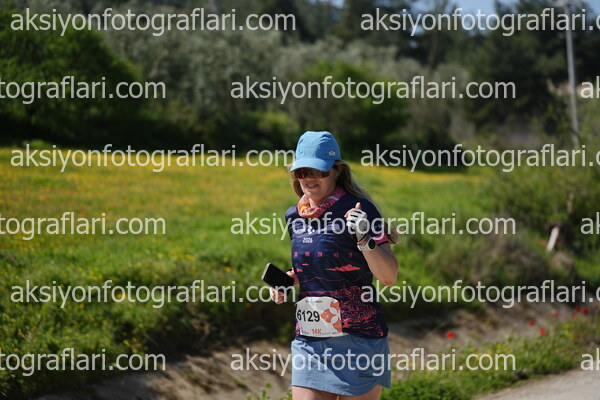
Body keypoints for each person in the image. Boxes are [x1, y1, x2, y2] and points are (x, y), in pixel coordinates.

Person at [271, 131, 398, 400]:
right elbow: (315, 266)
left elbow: (388, 277)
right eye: (302, 171)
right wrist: (289, 280)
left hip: (359, 338)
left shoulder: (361, 210)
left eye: (318, 171)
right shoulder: (294, 216)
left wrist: (364, 239)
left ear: (336, 171)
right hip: (310, 339)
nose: (309, 178)